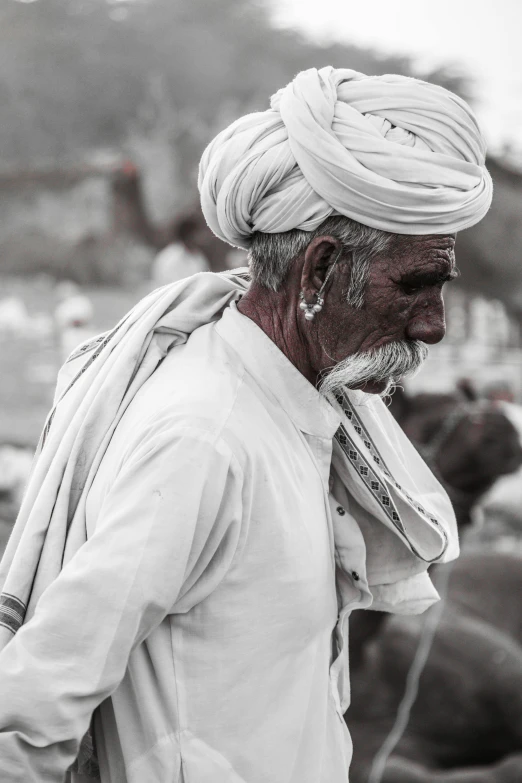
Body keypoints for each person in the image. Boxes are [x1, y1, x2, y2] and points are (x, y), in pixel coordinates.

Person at [0, 66, 492, 783]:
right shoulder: (205, 437)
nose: (434, 325)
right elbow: (29, 715)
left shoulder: (298, 409)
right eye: (415, 285)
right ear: (319, 273)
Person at [151, 212, 210, 286]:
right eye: (198, 234)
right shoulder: (170, 258)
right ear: (189, 235)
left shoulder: (198, 257)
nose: (203, 237)